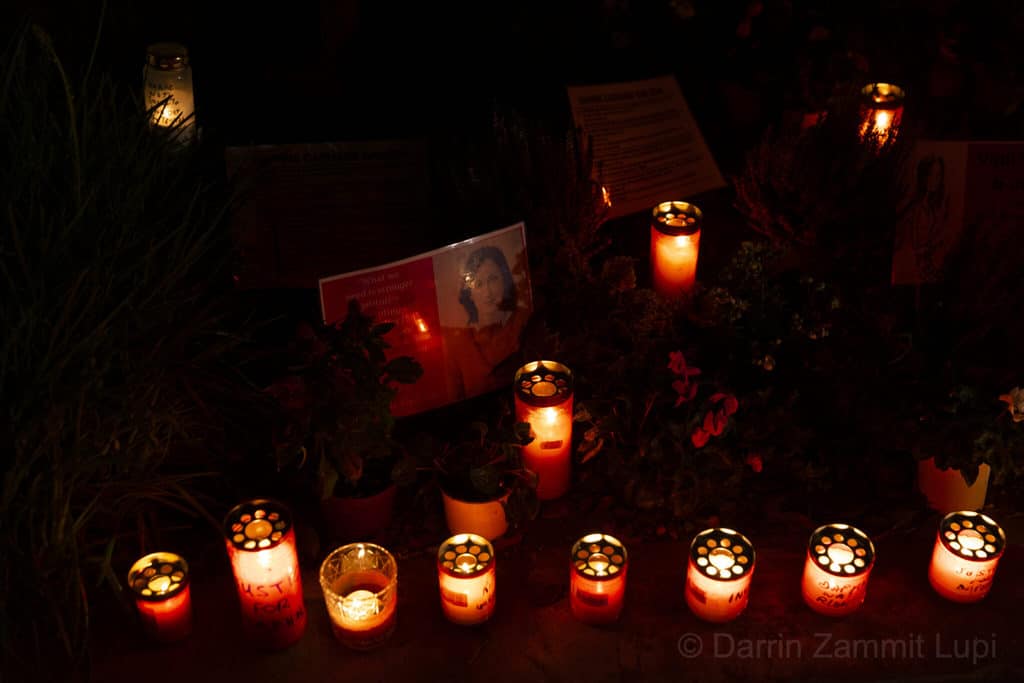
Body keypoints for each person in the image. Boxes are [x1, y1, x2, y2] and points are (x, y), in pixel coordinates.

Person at [443, 246, 530, 400]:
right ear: (470, 293)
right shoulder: (457, 343)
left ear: (504, 280)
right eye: (478, 284)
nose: (487, 292)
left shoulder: (524, 321)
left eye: (493, 279)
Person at [893, 155, 951, 283]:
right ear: (923, 176)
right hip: (914, 270)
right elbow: (911, 245)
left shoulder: (935, 207)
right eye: (930, 174)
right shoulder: (914, 208)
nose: (934, 179)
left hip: (928, 269)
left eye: (938, 175)